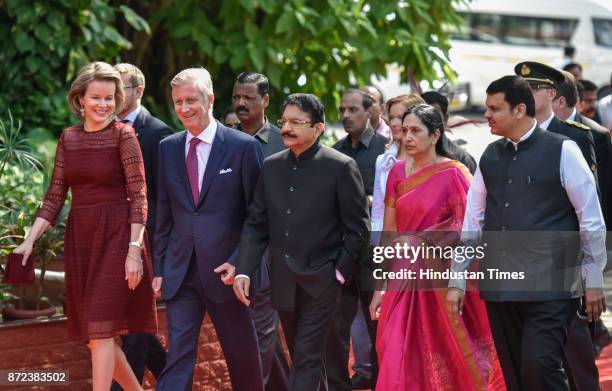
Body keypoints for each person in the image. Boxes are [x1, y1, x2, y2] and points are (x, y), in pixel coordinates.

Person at [447, 75, 607, 391]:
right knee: (516, 372)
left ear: (519, 110)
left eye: (495, 109)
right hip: (500, 286)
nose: (487, 115)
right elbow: (473, 221)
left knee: (540, 366)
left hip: (552, 287)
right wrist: (458, 279)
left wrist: (594, 280)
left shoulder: (564, 150)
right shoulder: (490, 155)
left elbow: (590, 219)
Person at [13, 61, 157, 391]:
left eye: (110, 98)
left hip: (119, 239)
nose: (103, 105)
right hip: (82, 240)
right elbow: (55, 195)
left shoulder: (124, 135)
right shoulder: (69, 139)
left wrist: (134, 250)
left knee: (102, 332)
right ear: (80, 99)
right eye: (96, 97)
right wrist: (29, 241)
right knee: (96, 338)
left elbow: (139, 195)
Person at [233, 93, 370, 391]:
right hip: (282, 279)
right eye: (285, 121)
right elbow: (257, 223)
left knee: (306, 358)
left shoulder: (340, 166)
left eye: (297, 122)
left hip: (323, 280)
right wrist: (244, 270)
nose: (286, 128)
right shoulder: (271, 166)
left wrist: (338, 273)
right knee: (302, 356)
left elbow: (359, 229)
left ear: (318, 128)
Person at [369, 104, 504, 391]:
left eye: (415, 131)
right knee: (393, 347)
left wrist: (420, 241)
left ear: (435, 135)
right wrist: (379, 285)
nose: (407, 137)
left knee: (440, 350)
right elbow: (390, 234)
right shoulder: (396, 173)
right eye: (404, 130)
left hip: (439, 280)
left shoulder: (454, 173)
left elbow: (468, 227)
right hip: (402, 278)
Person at [153, 68, 264, 391]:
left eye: (191, 100)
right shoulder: (168, 148)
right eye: (178, 102)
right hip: (181, 270)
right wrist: (159, 266)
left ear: (210, 99)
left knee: (242, 357)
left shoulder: (243, 147)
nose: (184, 108)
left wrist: (241, 261)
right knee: (178, 358)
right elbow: (163, 212)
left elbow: (258, 215)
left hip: (226, 272)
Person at [110, 63, 172, 391]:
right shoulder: (103, 127)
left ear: (139, 92)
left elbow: (162, 198)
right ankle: (176, 381)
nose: (115, 95)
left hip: (142, 242)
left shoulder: (158, 134)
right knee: (133, 328)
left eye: (121, 87)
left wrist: (154, 249)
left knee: (134, 324)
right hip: (109, 238)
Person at [231, 71, 290, 391]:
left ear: (265, 101)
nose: (241, 103)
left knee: (263, 335)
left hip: (277, 252)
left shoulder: (286, 141)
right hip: (233, 250)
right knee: (257, 336)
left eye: (248, 98)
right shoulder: (224, 139)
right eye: (236, 97)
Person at [329, 88, 387, 391]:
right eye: (342, 110)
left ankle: (382, 383)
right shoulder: (335, 151)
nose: (346, 116)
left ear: (369, 112)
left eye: (353, 110)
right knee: (336, 327)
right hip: (343, 252)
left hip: (375, 251)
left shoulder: (385, 150)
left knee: (379, 325)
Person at [515, 61, 597, 178]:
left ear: (552, 93)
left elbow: (588, 192)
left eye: (534, 88)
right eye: (523, 88)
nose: (526, 94)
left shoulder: (576, 135)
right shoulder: (513, 132)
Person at [421, 90, 478, 173]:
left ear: (445, 118)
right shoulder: (407, 156)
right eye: (423, 116)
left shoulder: (462, 159)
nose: (428, 121)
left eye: (434, 115)